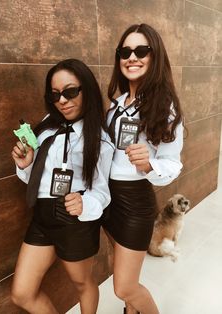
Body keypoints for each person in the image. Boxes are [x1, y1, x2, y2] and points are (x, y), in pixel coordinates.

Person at [11, 59, 114, 314]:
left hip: (74, 218)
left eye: (70, 92)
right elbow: (36, 179)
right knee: (21, 293)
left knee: (82, 283)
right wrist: (26, 164)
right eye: (55, 94)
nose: (63, 101)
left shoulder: (99, 139)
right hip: (42, 216)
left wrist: (84, 204)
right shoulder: (48, 124)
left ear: (86, 89)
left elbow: (102, 191)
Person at [102, 23, 184, 314]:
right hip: (106, 197)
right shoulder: (117, 105)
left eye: (141, 50)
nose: (132, 57)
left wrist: (149, 163)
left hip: (134, 201)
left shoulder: (165, 106)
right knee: (119, 264)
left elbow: (173, 163)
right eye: (125, 51)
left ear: (154, 56)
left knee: (124, 285)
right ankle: (131, 310)